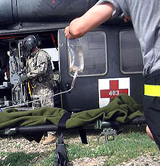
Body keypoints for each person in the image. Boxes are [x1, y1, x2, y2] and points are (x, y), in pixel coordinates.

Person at [64, 0, 160, 149]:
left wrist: (70, 29)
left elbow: (78, 29)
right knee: (151, 129)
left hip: (157, 74)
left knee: (152, 128)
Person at [22, 35, 57, 145]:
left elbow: (42, 70)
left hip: (45, 88)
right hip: (37, 88)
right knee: (36, 111)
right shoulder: (31, 57)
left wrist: (28, 76)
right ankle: (40, 134)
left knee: (48, 111)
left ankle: (52, 134)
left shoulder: (42, 55)